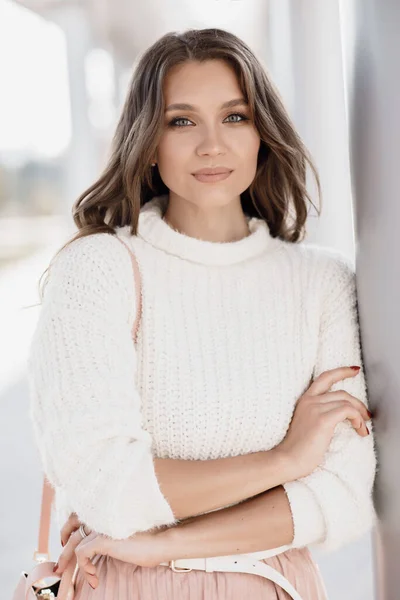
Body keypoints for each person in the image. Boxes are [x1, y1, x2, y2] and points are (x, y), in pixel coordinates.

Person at [27, 27, 377, 599]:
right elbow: (108, 489)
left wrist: (159, 542)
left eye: (235, 117)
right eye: (181, 121)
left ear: (263, 132)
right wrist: (286, 458)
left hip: (272, 588)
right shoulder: (99, 269)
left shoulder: (323, 282)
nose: (212, 144)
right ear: (149, 139)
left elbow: (340, 494)